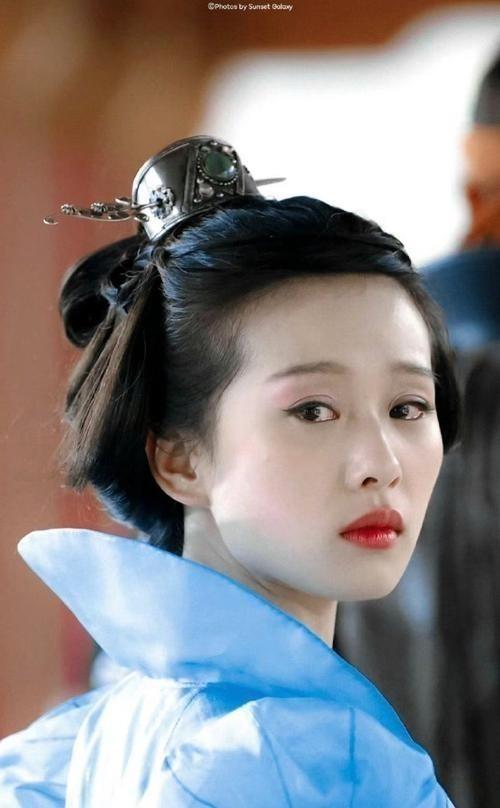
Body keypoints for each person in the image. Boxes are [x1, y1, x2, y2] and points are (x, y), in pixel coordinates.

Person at [0, 136, 459, 806]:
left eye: (407, 407)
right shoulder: (302, 756)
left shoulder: (74, 746)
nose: (381, 465)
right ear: (179, 457)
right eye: (313, 410)